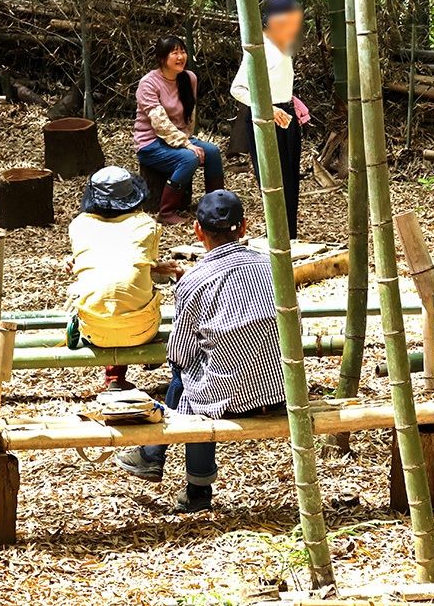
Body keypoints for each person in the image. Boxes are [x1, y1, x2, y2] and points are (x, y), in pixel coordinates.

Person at [115, 189, 286, 513]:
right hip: (280, 389)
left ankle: (188, 482)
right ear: (244, 227)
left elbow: (178, 353)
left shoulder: (194, 282)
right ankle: (155, 456)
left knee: (184, 376)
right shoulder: (273, 266)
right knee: (198, 368)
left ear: (197, 230)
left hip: (225, 401)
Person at [66, 167, 179, 391]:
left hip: (93, 329)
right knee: (131, 295)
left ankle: (113, 377)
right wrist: (159, 268)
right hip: (142, 329)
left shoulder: (79, 225)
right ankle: (149, 354)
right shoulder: (146, 225)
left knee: (108, 294)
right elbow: (139, 265)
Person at [230, 0, 309, 239]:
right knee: (273, 182)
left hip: (287, 118)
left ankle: (289, 236)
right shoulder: (259, 49)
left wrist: (291, 105)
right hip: (266, 121)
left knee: (290, 180)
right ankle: (277, 237)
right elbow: (238, 89)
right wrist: (269, 109)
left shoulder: (282, 47)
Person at [134, 37, 224, 225]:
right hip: (150, 142)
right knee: (189, 158)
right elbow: (159, 122)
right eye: (174, 53)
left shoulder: (189, 78)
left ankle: (215, 203)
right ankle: (166, 212)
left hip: (179, 137)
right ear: (161, 58)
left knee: (213, 152)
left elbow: (190, 113)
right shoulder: (148, 83)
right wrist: (186, 144)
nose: (180, 57)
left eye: (182, 52)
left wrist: (187, 139)